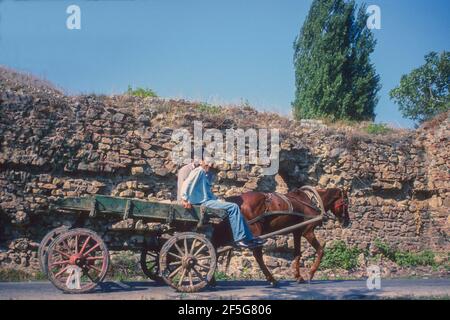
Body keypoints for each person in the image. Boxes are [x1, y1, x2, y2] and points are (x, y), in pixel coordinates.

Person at [179, 159, 266, 249]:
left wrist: (218, 200)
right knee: (234, 207)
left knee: (234, 208)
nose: (210, 165)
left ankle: (249, 238)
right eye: (207, 162)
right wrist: (184, 199)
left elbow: (207, 193)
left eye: (211, 163)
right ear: (202, 162)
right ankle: (240, 239)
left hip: (206, 201)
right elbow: (187, 184)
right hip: (202, 203)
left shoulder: (204, 174)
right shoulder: (199, 171)